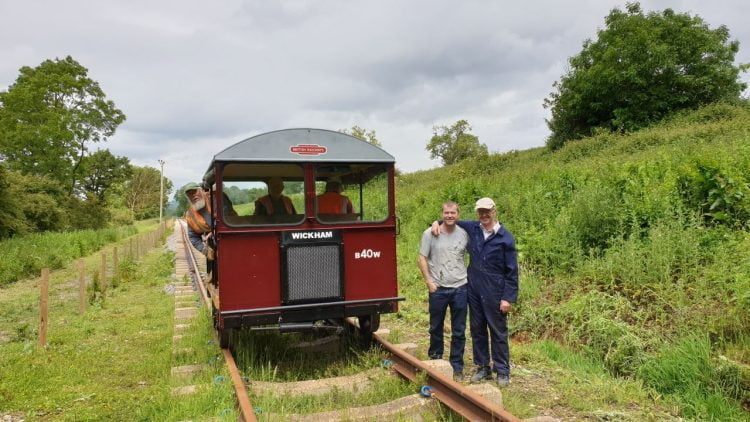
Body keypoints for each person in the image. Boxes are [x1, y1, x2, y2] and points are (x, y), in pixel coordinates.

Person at [432, 197, 519, 387]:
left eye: (487, 211)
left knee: (498, 331)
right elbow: (450, 219)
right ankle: (483, 368)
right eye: (480, 212)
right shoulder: (473, 228)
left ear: (494, 211)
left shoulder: (505, 237)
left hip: (496, 290)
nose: (484, 215)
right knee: (477, 330)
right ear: (476, 213)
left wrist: (507, 298)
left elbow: (512, 271)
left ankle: (502, 370)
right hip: (474, 288)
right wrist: (435, 223)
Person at [419, 201, 469, 382]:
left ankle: (457, 366)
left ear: (458, 214)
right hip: (438, 288)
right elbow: (422, 258)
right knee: (435, 327)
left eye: (453, 213)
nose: (449, 216)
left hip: (460, 288)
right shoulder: (431, 233)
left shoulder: (464, 234)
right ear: (442, 214)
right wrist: (428, 281)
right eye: (446, 213)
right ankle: (436, 360)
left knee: (459, 330)